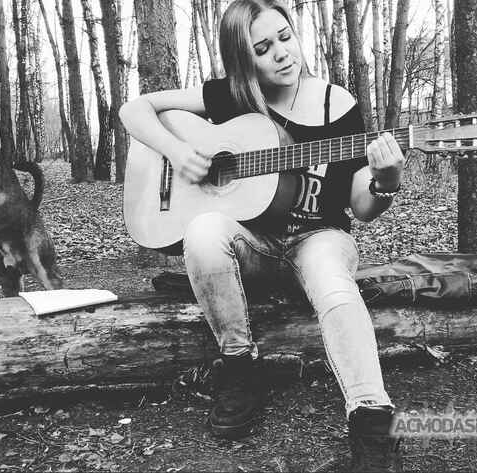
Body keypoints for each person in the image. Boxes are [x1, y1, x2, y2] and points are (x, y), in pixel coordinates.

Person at [119, 0, 404, 471]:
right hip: (252, 248)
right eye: (263, 48)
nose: (281, 53)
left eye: (285, 37)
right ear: (243, 59)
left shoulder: (338, 104)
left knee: (334, 282)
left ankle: (373, 423)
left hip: (319, 239)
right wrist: (177, 151)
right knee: (204, 228)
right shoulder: (234, 98)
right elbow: (135, 109)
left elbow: (362, 207)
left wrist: (385, 182)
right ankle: (241, 368)